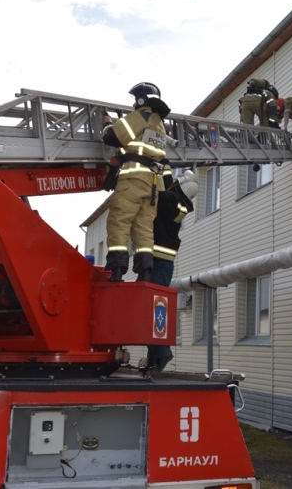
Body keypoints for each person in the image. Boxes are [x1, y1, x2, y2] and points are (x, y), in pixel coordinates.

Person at [101, 82, 170, 282]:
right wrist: (117, 162)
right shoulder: (159, 125)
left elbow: (112, 136)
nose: (133, 104)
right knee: (144, 228)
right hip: (153, 184)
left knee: (119, 221)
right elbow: (139, 150)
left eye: (135, 99)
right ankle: (145, 273)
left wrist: (106, 123)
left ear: (141, 99)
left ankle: (116, 270)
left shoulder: (141, 117)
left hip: (134, 180)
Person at [144, 169, 198, 372]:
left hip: (160, 262)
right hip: (156, 260)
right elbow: (165, 189)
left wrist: (160, 170)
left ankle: (162, 353)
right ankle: (154, 356)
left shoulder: (174, 203)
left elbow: (162, 193)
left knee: (155, 307)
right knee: (148, 308)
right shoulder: (178, 202)